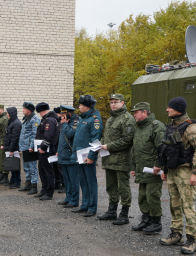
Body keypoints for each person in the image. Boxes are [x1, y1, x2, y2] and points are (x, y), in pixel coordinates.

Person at [159, 97, 196, 254]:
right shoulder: (172, 126)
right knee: (174, 204)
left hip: (186, 171)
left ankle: (192, 239)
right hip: (173, 171)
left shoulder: (192, 128)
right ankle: (176, 233)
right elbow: (167, 150)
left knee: (187, 206)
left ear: (178, 109)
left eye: (169, 107)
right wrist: (165, 170)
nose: (167, 109)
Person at [97, 94, 135, 225]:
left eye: (116, 102)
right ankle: (111, 211)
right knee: (111, 186)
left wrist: (109, 146)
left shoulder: (127, 118)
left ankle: (124, 214)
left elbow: (127, 140)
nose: (113, 104)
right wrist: (100, 144)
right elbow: (106, 136)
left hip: (121, 160)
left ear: (123, 102)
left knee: (123, 187)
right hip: (109, 159)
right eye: (111, 102)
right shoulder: (111, 118)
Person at [129, 102, 166, 234]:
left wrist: (158, 164)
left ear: (144, 112)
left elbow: (161, 148)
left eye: (136, 112)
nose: (134, 115)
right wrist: (133, 167)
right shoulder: (138, 128)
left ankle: (156, 222)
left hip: (153, 170)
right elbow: (135, 149)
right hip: (141, 169)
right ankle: (146, 220)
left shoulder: (156, 126)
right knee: (142, 196)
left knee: (152, 196)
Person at [71, 95, 103, 217]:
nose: (78, 107)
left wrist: (91, 156)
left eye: (80, 105)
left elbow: (96, 139)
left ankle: (92, 207)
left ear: (86, 106)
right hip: (80, 154)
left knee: (91, 182)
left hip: (87, 155)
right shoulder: (82, 118)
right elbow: (78, 138)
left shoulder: (94, 120)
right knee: (83, 181)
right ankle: (84, 205)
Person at [33, 102, 59, 201]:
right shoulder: (46, 120)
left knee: (48, 171)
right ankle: (44, 190)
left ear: (42, 111)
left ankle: (49, 192)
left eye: (40, 112)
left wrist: (43, 148)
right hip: (43, 149)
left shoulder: (49, 121)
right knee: (42, 170)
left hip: (47, 150)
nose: (40, 114)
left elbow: (48, 136)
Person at [56, 105, 80, 208]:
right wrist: (58, 151)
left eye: (63, 115)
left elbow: (71, 134)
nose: (61, 117)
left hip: (71, 156)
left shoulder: (75, 123)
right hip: (64, 155)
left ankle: (74, 201)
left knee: (73, 180)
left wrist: (64, 124)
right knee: (66, 179)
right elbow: (62, 139)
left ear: (68, 115)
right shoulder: (65, 123)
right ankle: (68, 198)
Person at [18, 102, 40, 195]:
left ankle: (34, 186)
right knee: (26, 167)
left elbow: (35, 134)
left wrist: (32, 146)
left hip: (30, 148)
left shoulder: (35, 119)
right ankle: (28, 184)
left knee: (32, 168)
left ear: (29, 110)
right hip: (24, 147)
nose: (22, 110)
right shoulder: (26, 119)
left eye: (24, 109)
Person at [3, 107, 22, 189]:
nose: (7, 115)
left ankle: (17, 182)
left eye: (8, 113)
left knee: (15, 165)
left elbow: (15, 138)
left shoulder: (16, 123)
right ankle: (12, 180)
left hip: (13, 148)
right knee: (11, 165)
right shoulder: (11, 122)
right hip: (9, 147)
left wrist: (11, 149)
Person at [52, 107, 65, 191]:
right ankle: (57, 182)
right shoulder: (57, 122)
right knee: (55, 166)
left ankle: (64, 184)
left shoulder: (62, 123)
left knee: (61, 167)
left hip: (60, 148)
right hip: (55, 147)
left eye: (57, 114)